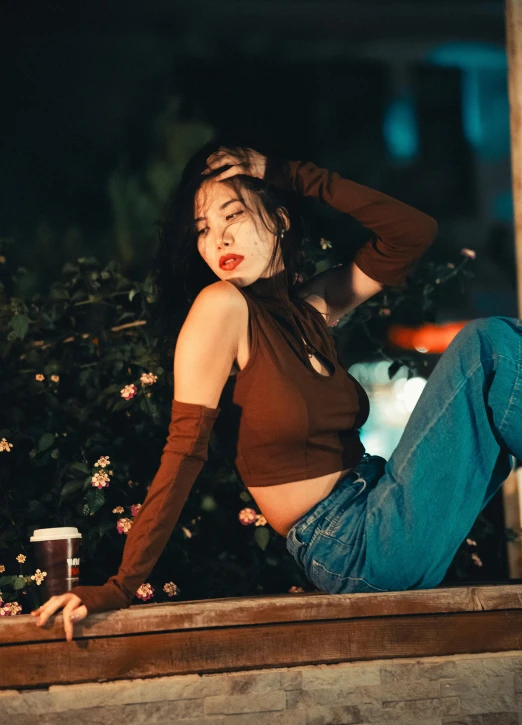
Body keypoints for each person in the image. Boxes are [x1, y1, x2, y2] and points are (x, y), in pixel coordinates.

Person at [35, 138, 515, 642]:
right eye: (202, 229)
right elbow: (183, 453)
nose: (217, 240)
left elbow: (413, 233)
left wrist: (288, 172)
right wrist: (120, 586)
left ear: (281, 220)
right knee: (488, 347)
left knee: (501, 368)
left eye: (232, 216)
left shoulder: (313, 307)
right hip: (352, 545)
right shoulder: (221, 307)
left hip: (383, 500)